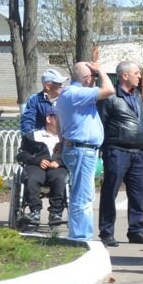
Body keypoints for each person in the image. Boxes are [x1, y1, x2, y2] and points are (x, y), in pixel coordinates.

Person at [55, 61, 115, 241]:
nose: (96, 80)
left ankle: (81, 234)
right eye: (94, 77)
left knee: (83, 194)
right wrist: (102, 72)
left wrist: (61, 140)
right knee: (82, 196)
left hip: (79, 148)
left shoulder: (69, 94)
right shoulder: (77, 93)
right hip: (82, 149)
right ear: (87, 79)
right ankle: (80, 237)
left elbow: (59, 123)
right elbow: (109, 90)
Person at [96, 61, 143, 247]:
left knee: (138, 193)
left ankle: (136, 231)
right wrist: (103, 150)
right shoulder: (110, 97)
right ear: (124, 76)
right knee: (110, 191)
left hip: (138, 153)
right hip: (117, 151)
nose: (139, 76)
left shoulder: (136, 96)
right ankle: (106, 232)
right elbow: (101, 124)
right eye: (136, 73)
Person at [15, 113, 67, 228]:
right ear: (49, 119)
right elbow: (21, 155)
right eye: (59, 118)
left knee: (60, 179)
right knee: (31, 178)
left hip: (57, 167)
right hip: (36, 166)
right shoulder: (33, 136)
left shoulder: (66, 137)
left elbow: (71, 155)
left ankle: (55, 212)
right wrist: (37, 160)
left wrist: (59, 161)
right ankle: (35, 211)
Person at [20, 69, 67, 138]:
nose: (62, 86)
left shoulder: (66, 99)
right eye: (59, 83)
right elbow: (27, 122)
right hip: (42, 142)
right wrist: (29, 139)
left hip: (63, 141)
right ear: (48, 86)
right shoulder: (35, 100)